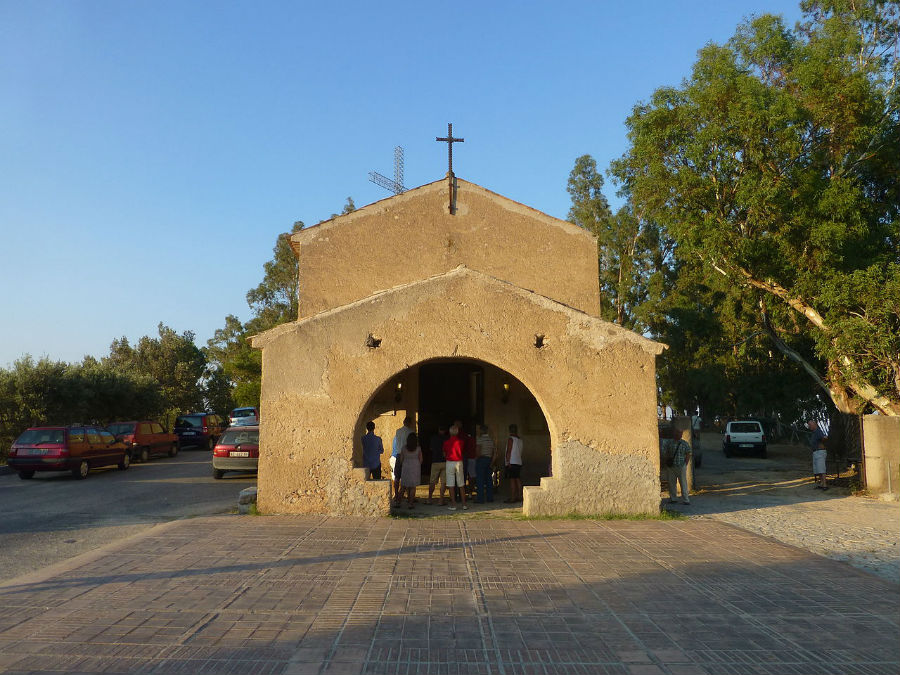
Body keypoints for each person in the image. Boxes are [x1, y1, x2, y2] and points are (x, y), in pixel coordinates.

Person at [662, 426, 692, 505]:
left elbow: (688, 453)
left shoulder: (684, 443)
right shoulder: (669, 443)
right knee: (671, 483)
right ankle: (673, 498)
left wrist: (685, 464)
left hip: (681, 466)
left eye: (680, 433)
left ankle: (686, 499)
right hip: (671, 466)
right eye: (677, 433)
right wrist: (667, 461)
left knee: (683, 483)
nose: (679, 434)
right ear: (674, 433)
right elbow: (665, 452)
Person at [443, 424, 468, 510]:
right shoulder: (461, 442)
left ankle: (454, 504)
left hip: (450, 462)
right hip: (459, 462)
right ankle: (464, 504)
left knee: (451, 484)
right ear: (457, 432)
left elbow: (444, 453)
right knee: (461, 484)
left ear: (450, 433)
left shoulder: (446, 442)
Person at [391, 417, 415, 504]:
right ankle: (407, 497)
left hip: (398, 455)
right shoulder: (411, 432)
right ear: (410, 423)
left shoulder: (398, 431)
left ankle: (396, 494)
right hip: (407, 455)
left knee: (397, 476)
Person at [398, 432, 423, 509]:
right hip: (415, 467)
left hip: (406, 467)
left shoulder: (404, 448)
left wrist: (405, 463)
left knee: (403, 486)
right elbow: (421, 459)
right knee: (413, 487)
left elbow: (401, 459)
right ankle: (410, 504)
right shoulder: (418, 448)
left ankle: (398, 502)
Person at [475, 424, 497, 503]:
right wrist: (492, 462)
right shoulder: (491, 440)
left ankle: (480, 499)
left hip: (481, 459)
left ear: (481, 430)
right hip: (489, 459)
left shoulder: (480, 439)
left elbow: (478, 451)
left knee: (480, 480)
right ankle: (490, 498)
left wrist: (477, 458)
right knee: (489, 479)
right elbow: (495, 453)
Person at [427, 425, 449, 505]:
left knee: (432, 481)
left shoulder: (433, 438)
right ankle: (441, 500)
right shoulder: (447, 438)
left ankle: (429, 499)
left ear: (438, 429)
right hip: (445, 462)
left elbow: (431, 448)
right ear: (445, 431)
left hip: (435, 461)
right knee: (443, 482)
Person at [503, 424, 523, 503]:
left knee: (512, 480)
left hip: (512, 462)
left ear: (510, 430)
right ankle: (519, 496)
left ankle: (512, 497)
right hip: (518, 461)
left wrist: (507, 461)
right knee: (517, 479)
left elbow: (509, 451)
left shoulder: (511, 439)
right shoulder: (520, 440)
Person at [808, 420, 828, 490]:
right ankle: (822, 483)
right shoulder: (813, 432)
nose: (809, 426)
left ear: (814, 425)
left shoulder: (818, 431)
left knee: (821, 468)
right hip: (815, 452)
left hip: (820, 452)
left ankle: (825, 484)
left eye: (810, 425)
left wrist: (822, 444)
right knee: (818, 469)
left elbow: (824, 438)